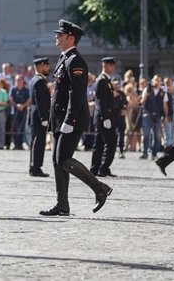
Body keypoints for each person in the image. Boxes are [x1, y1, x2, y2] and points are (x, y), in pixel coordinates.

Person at [40, 19, 112, 216]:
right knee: (57, 160)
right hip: (60, 119)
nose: (56, 37)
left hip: (70, 120)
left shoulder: (76, 61)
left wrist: (69, 121)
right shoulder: (65, 59)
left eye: (60, 34)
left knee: (63, 158)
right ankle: (62, 204)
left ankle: (99, 188)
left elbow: (77, 94)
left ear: (70, 38)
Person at [90, 57, 119, 177]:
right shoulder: (102, 80)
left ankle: (95, 169)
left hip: (103, 117)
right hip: (103, 117)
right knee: (111, 142)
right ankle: (103, 167)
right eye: (110, 65)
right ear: (104, 65)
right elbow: (101, 102)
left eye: (113, 65)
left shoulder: (106, 80)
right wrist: (106, 118)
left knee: (100, 144)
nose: (113, 68)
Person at [28, 57, 50, 177]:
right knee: (39, 142)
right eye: (46, 66)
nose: (48, 68)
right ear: (41, 66)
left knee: (35, 142)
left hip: (35, 115)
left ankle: (33, 166)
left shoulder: (34, 79)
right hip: (39, 116)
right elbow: (40, 101)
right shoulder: (40, 81)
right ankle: (36, 168)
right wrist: (44, 118)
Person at [140, 74, 168, 160]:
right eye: (155, 80)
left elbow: (165, 105)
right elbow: (142, 102)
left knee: (157, 136)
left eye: (159, 80)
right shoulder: (147, 89)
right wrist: (145, 97)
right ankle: (145, 153)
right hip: (147, 114)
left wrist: (165, 116)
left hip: (158, 116)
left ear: (161, 82)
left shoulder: (163, 93)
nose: (157, 82)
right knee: (146, 135)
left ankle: (154, 153)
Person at [9, 74, 30, 150]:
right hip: (15, 111)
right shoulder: (13, 89)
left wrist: (23, 106)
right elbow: (11, 99)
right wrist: (16, 105)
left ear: (22, 81)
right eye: (16, 80)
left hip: (23, 111)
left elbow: (29, 99)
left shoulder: (26, 90)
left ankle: (20, 144)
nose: (17, 82)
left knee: (22, 127)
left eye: (19, 80)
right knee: (15, 127)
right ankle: (15, 144)